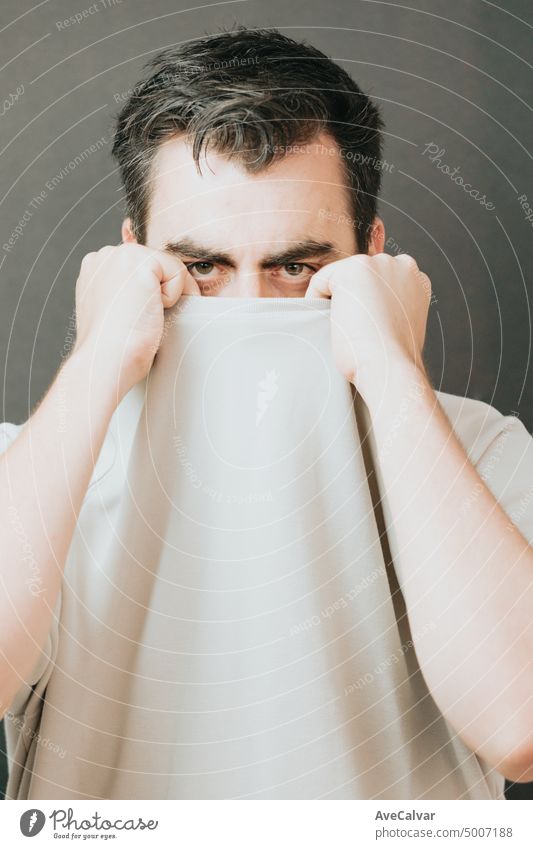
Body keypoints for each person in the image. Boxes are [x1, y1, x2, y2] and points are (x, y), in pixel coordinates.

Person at [1, 25, 532, 800]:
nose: (247, 308)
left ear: (371, 257)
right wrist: (96, 361)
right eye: (201, 267)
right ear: (131, 257)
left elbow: (521, 726)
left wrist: (391, 371)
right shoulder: (40, 463)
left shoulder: (481, 452)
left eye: (295, 266)